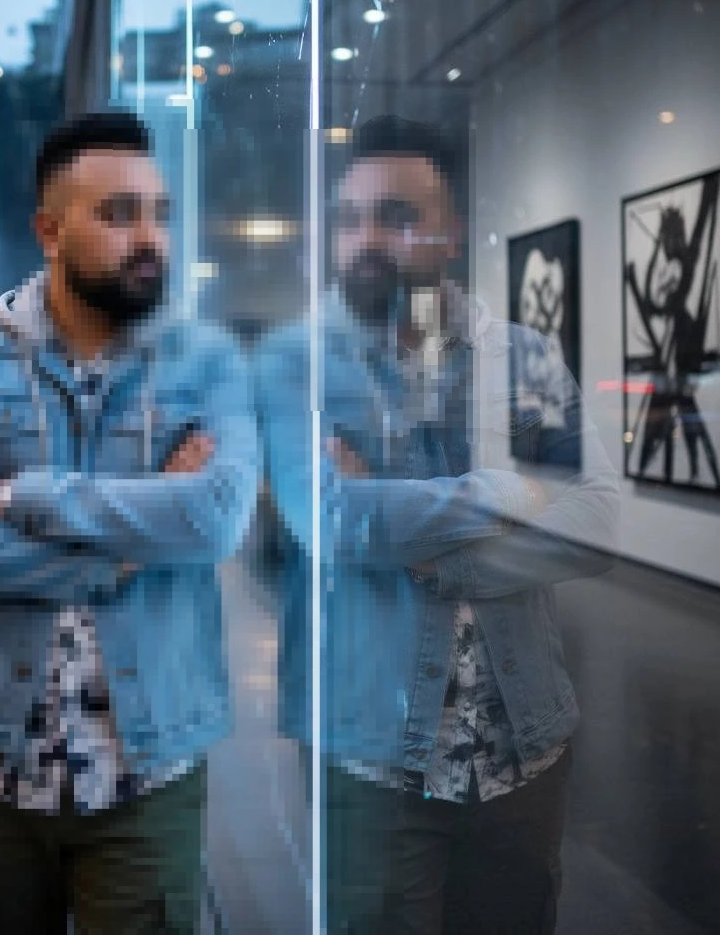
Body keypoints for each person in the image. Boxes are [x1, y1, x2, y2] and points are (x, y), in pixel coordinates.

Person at [0, 110, 259, 934]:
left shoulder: (208, 363)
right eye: (119, 214)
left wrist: (22, 496)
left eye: (160, 213)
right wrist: (120, 556)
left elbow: (216, 520)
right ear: (50, 232)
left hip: (149, 771)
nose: (150, 237)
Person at [253, 116, 619, 933]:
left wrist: (431, 559)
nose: (366, 239)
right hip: (368, 759)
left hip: (524, 746)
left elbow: (596, 521)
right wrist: (508, 490)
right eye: (350, 218)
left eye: (396, 216)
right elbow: (329, 522)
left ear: (450, 232)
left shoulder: (522, 356)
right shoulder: (293, 363)